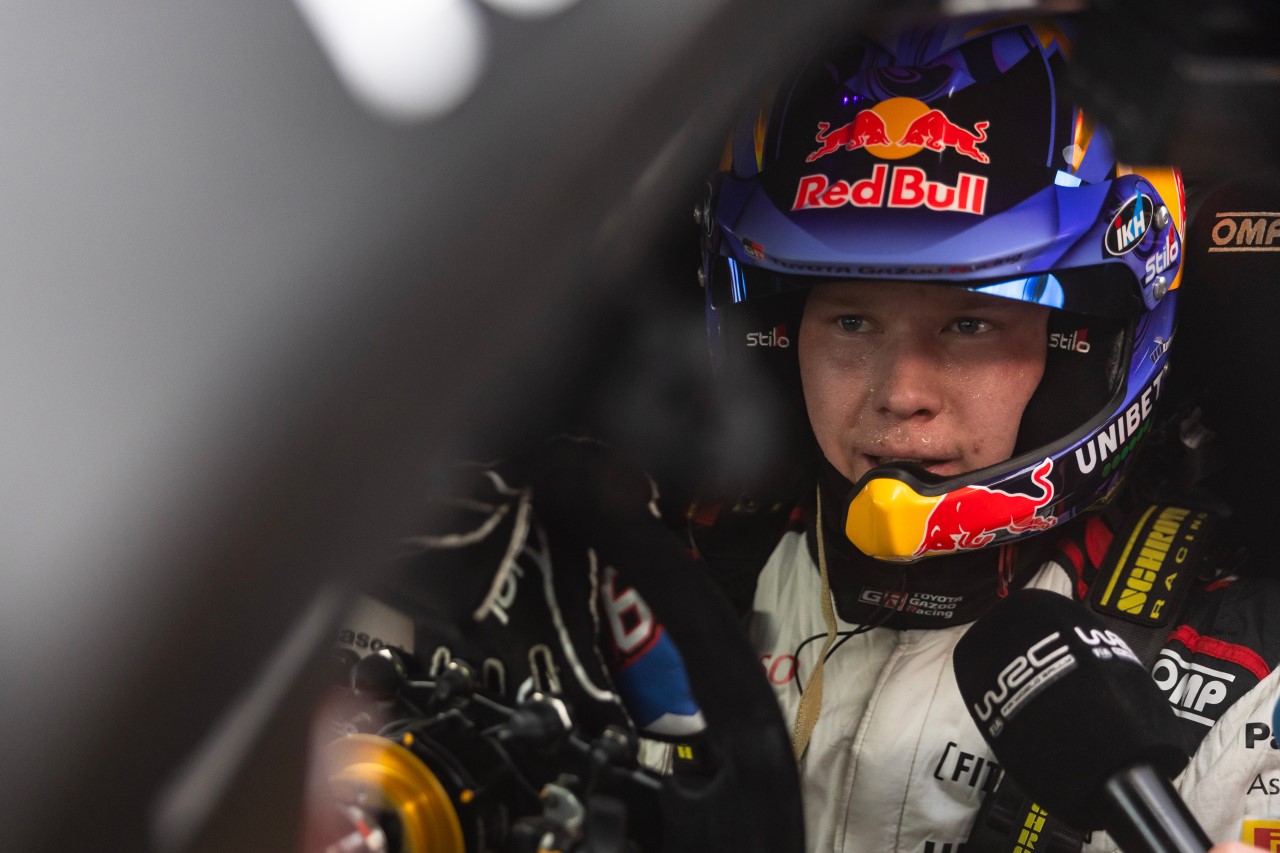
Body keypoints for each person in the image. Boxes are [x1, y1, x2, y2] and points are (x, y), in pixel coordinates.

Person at [686, 12, 1280, 852]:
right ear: (779, 341)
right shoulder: (667, 570)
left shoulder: (1243, 673)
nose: (901, 394)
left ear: (1085, 349)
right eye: (851, 322)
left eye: (970, 325)